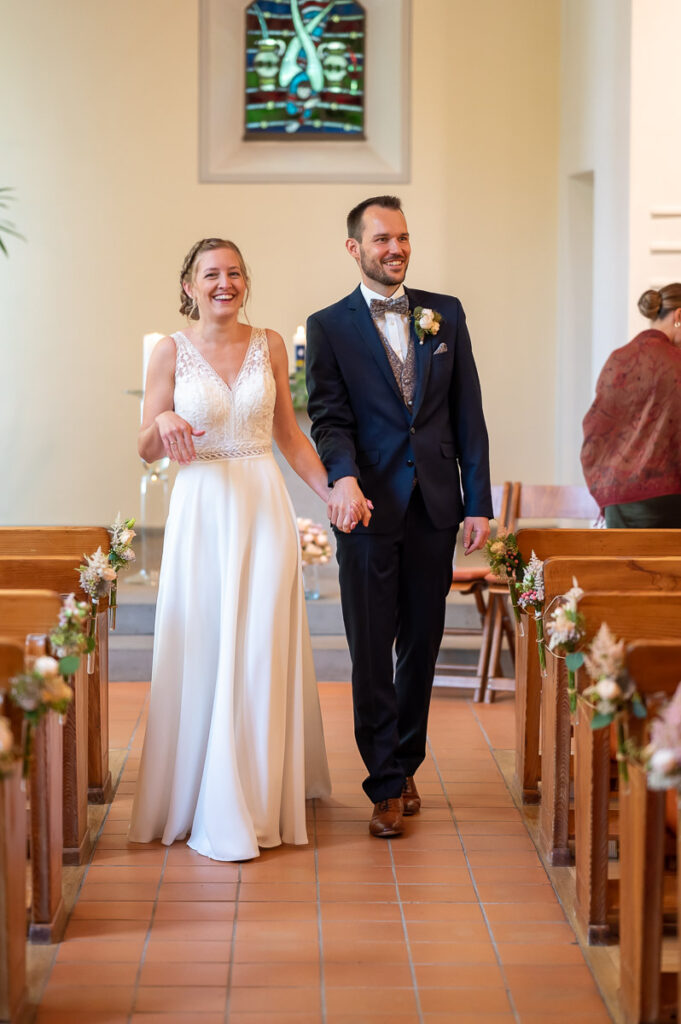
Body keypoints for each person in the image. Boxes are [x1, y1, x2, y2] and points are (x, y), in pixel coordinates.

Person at [129, 237, 332, 861]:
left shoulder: (269, 344)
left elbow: (290, 437)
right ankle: (199, 791)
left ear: (246, 281)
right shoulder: (170, 351)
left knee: (261, 641)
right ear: (189, 285)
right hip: (200, 508)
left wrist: (334, 492)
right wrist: (161, 426)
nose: (225, 283)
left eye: (235, 273)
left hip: (262, 502)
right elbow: (144, 443)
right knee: (206, 640)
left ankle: (256, 789)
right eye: (211, 274)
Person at [306, 196, 493, 838]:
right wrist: (344, 476)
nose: (397, 249)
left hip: (436, 506)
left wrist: (479, 503)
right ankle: (383, 782)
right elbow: (328, 418)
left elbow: (468, 412)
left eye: (404, 238)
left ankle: (407, 760)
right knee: (369, 648)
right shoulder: (328, 326)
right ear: (354, 248)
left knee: (422, 642)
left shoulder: (447, 314)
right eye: (383, 238)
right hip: (365, 508)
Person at [581, 283, 681, 528]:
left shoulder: (618, 358)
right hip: (670, 498)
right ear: (679, 316)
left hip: (617, 499)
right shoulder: (676, 363)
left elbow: (595, 426)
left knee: (622, 566)